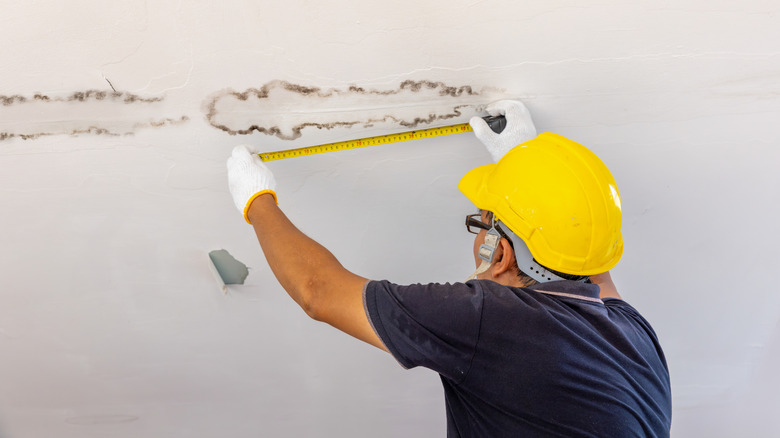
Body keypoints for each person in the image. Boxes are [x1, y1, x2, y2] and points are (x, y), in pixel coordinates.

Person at [226, 100, 672, 437]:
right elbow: (590, 255)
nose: (476, 234)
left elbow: (317, 291)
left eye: (480, 223)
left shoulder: (491, 319)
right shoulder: (633, 334)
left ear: (501, 254)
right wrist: (524, 165)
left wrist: (256, 200)